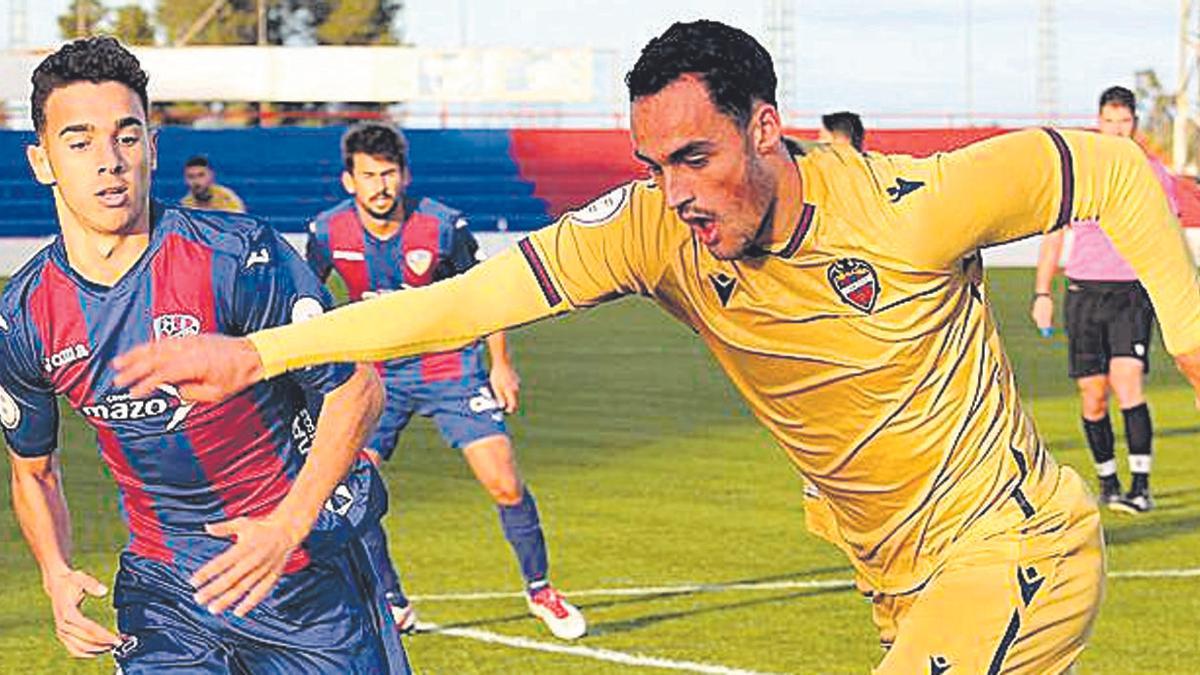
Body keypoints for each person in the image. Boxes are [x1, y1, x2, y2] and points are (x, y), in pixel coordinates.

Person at [113, 21, 1200, 674]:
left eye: (695, 156)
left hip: (1012, 550)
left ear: (766, 130)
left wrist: (1190, 338)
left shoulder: (910, 207)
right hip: (899, 578)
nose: (674, 192)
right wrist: (259, 357)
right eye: (652, 163)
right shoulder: (650, 228)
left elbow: (1105, 172)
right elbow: (470, 300)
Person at [2, 36, 408, 673]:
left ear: (153, 147)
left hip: (305, 575)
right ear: (42, 160)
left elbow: (356, 388)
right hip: (167, 590)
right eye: (79, 141)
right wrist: (55, 572)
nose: (109, 161)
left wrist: (286, 528)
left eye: (127, 136)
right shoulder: (24, 316)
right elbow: (34, 471)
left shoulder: (238, 256)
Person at [304, 122, 586, 640]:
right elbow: (305, 303)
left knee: (503, 480)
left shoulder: (442, 226)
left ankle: (541, 588)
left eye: (389, 174)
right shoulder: (327, 233)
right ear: (350, 181)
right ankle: (391, 601)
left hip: (448, 368)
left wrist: (500, 364)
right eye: (369, 176)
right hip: (376, 375)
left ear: (404, 175)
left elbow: (488, 296)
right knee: (350, 488)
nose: (381, 186)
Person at [1030, 86, 1179, 514]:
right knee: (1092, 395)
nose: (1117, 130)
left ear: (1134, 124)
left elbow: (1165, 233)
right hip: (1083, 292)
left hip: (1131, 293)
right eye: (1110, 121)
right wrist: (1043, 292)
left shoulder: (1152, 173)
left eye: (1125, 121)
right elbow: (1054, 235)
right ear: (1099, 122)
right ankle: (1108, 481)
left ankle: (1141, 486)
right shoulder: (1080, 173)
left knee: (1128, 383)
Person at [181, 155, 246, 213]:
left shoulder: (228, 199)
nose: (196, 181)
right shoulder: (185, 206)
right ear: (185, 179)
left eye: (201, 175)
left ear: (211, 175)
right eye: (191, 177)